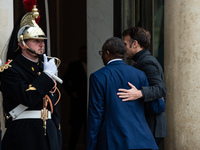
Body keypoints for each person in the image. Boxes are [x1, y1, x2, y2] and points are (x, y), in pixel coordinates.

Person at [0, 3, 62, 150]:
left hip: (49, 136)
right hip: (25, 135)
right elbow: (27, 97)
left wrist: (57, 138)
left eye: (42, 41)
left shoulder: (45, 68)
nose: (41, 45)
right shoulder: (10, 69)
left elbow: (54, 109)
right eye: (36, 41)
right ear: (22, 43)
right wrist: (47, 76)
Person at [86, 37, 158, 150]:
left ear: (107, 53)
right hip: (141, 139)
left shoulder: (98, 77)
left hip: (113, 141)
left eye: (102, 53)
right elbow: (152, 107)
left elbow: (96, 116)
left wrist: (91, 146)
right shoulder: (140, 75)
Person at [117, 26, 167, 149]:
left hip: (152, 125)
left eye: (124, 44)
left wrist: (139, 93)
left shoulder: (146, 62)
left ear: (134, 44)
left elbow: (161, 89)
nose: (123, 48)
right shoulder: (142, 60)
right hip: (151, 124)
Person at [62, 46, 87, 150]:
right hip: (77, 102)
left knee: (89, 129)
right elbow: (64, 80)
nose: (84, 55)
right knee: (75, 130)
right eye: (82, 53)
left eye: (85, 53)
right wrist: (71, 92)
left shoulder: (93, 63)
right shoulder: (74, 65)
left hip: (89, 101)